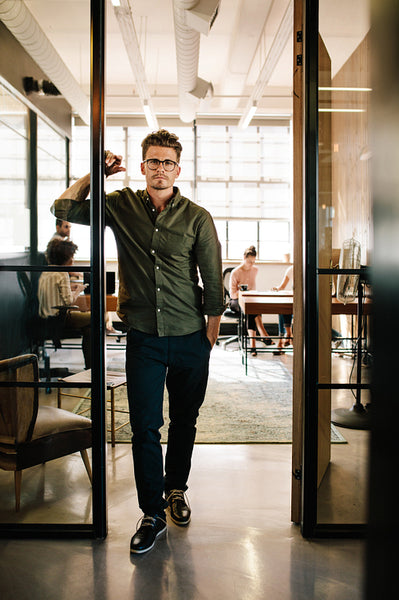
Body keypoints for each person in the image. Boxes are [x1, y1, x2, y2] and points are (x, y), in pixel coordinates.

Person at [51, 129, 224, 554]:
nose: (160, 169)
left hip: (189, 336)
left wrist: (210, 335)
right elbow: (64, 207)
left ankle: (176, 490)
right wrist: (96, 174)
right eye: (153, 161)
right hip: (143, 337)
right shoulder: (120, 205)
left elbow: (213, 277)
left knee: (185, 420)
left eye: (168, 162)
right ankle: (151, 513)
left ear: (177, 169)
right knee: (145, 427)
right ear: (142, 165)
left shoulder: (197, 216)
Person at [38, 239, 91, 369]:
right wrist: (78, 290)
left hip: (45, 319)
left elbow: (55, 291)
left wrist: (70, 287)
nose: (73, 261)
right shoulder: (62, 273)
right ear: (65, 258)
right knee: (95, 319)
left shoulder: (46, 271)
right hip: (59, 319)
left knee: (89, 327)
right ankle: (90, 367)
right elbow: (69, 301)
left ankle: (89, 367)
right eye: (72, 258)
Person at [229, 245, 273, 356]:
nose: (251, 264)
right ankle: (262, 336)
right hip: (235, 301)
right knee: (249, 308)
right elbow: (232, 294)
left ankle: (254, 346)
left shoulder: (255, 270)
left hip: (249, 299)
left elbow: (253, 289)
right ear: (244, 258)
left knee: (252, 308)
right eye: (249, 262)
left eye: (253, 262)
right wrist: (242, 292)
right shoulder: (235, 272)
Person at [271, 264, 293, 354]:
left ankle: (282, 342)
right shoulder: (291, 269)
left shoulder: (307, 269)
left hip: (304, 301)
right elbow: (282, 287)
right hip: (294, 300)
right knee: (282, 308)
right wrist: (276, 288)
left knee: (285, 308)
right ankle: (287, 335)